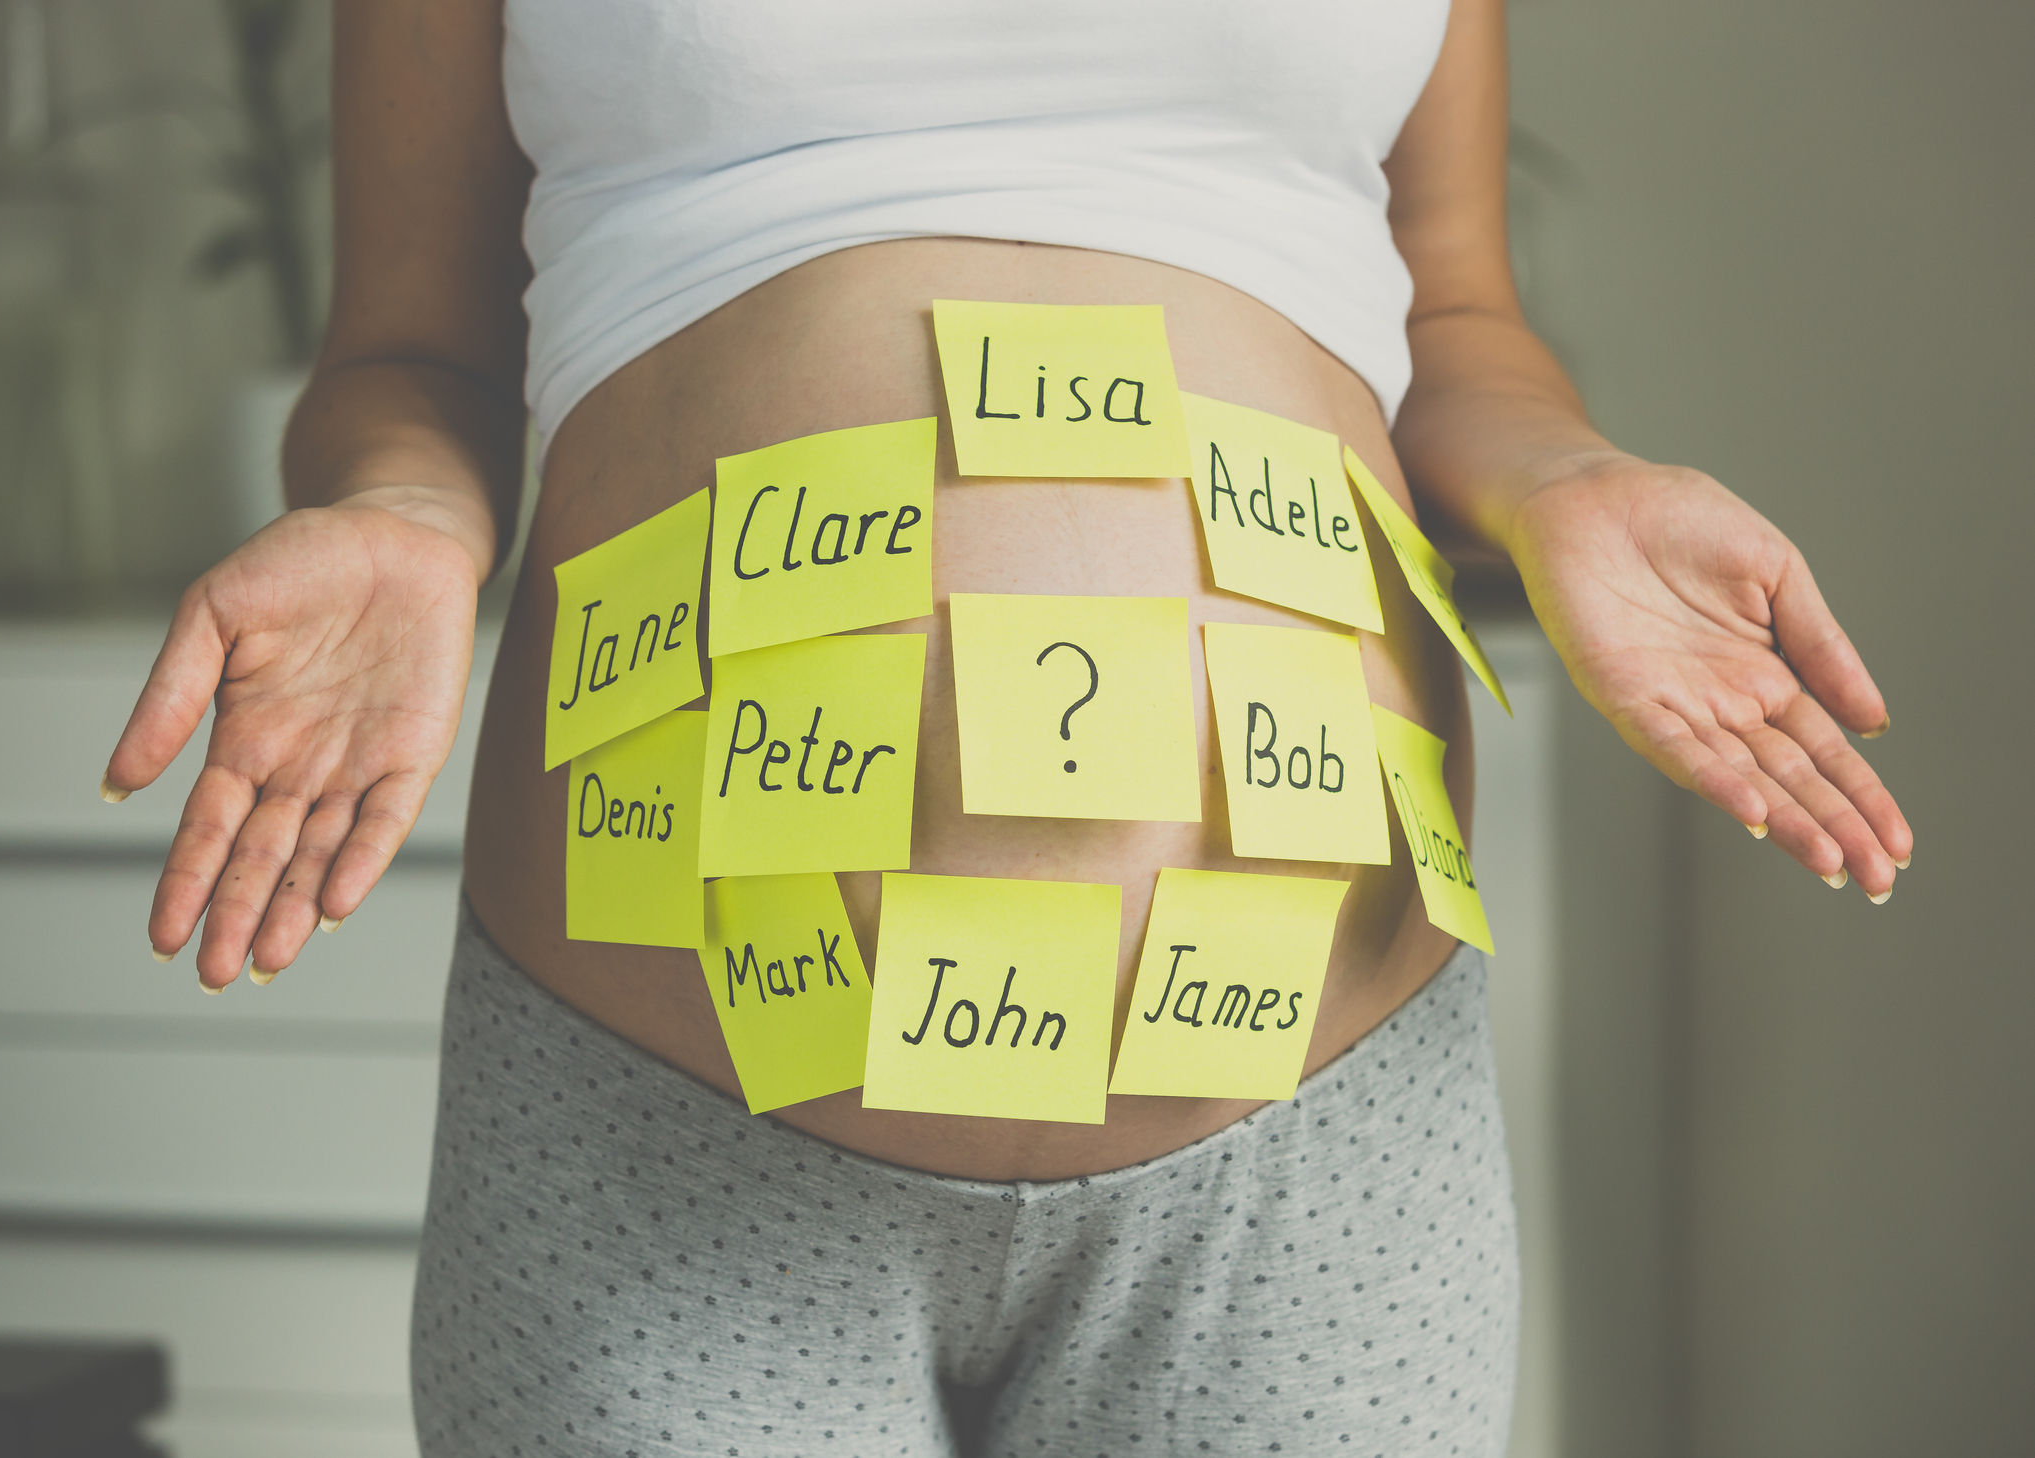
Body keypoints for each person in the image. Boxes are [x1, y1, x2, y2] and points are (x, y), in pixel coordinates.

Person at [102, 1, 1913, 1453]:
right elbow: (409, 351)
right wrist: (405, 512)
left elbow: (1447, 312)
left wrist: (1567, 476)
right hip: (657, 1109)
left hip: (1311, 1121)